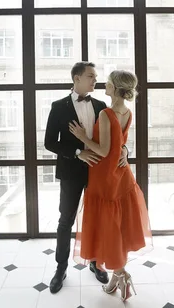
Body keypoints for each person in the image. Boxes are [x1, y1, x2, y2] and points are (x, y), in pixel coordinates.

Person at [44, 62, 129, 294]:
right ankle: (60, 269)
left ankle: (96, 263)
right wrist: (78, 152)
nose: (95, 80)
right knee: (66, 220)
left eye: (96, 76)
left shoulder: (102, 106)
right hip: (71, 171)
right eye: (91, 76)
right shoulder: (58, 106)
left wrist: (125, 150)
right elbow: (49, 142)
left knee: (99, 220)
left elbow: (114, 139)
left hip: (100, 172)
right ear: (76, 78)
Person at [68, 70, 152, 301]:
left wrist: (82, 136)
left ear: (115, 88)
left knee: (110, 226)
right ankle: (117, 277)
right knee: (118, 227)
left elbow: (104, 150)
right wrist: (125, 151)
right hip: (122, 174)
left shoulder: (106, 113)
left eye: (109, 82)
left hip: (104, 176)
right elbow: (119, 143)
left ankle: (122, 275)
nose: (104, 83)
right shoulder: (127, 112)